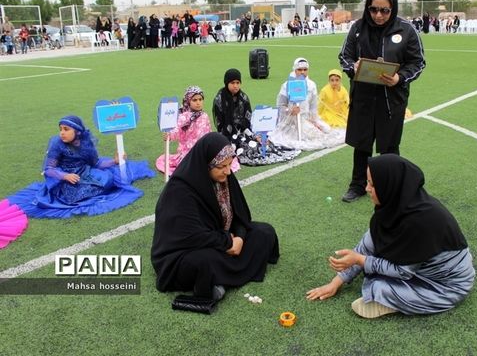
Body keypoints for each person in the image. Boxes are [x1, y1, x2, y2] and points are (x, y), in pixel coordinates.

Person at [306, 154, 475, 318]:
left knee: (379, 286)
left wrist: (361, 260)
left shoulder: (422, 221)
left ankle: (390, 301)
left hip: (445, 285)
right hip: (420, 269)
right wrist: (335, 283)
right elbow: (367, 245)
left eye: (372, 184)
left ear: (390, 185)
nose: (366, 189)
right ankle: (392, 296)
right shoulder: (393, 207)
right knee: (375, 271)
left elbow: (402, 271)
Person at [151, 132, 280, 307]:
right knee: (205, 262)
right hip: (185, 251)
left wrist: (239, 239)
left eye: (229, 165)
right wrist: (227, 242)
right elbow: (191, 236)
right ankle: (220, 277)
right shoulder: (180, 190)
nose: (227, 171)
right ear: (206, 164)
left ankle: (220, 280)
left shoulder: (225, 176)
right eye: (221, 167)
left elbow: (240, 215)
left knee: (264, 232)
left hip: (223, 239)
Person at [338, 0, 425, 202]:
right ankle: (358, 184)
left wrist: (400, 78)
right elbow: (344, 57)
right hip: (363, 98)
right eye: (373, 9)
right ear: (368, 8)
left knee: (389, 147)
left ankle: (389, 187)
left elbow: (418, 62)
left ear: (392, 9)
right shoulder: (358, 28)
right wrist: (353, 67)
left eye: (384, 11)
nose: (378, 15)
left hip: (391, 100)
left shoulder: (406, 30)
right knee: (362, 145)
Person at [8, 116, 155, 218]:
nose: (62, 133)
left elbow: (96, 163)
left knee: (109, 178)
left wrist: (114, 162)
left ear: (77, 131)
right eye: (61, 129)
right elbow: (48, 169)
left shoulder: (85, 142)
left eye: (66, 129)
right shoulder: (56, 144)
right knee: (72, 196)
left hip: (86, 172)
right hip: (67, 178)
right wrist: (65, 176)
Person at [213, 69, 300, 166]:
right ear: (227, 83)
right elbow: (220, 124)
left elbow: (248, 121)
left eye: (238, 83)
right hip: (226, 135)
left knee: (259, 145)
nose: (235, 86)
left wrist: (254, 135)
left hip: (243, 132)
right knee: (241, 148)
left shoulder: (243, 98)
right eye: (232, 83)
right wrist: (232, 136)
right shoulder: (219, 99)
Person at [269, 57, 345, 151]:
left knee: (326, 131)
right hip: (291, 121)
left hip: (306, 119)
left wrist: (315, 121)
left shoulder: (311, 85)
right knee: (297, 139)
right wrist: (290, 110)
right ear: (294, 70)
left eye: (305, 70)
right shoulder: (286, 85)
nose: (302, 72)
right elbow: (280, 106)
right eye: (299, 70)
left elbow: (313, 107)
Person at [156, 86, 213, 175]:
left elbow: (208, 132)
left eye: (200, 99)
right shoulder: (184, 116)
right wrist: (169, 136)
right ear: (188, 101)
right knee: (189, 168)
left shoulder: (204, 116)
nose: (198, 103)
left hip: (202, 149)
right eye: (194, 100)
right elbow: (176, 131)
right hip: (188, 151)